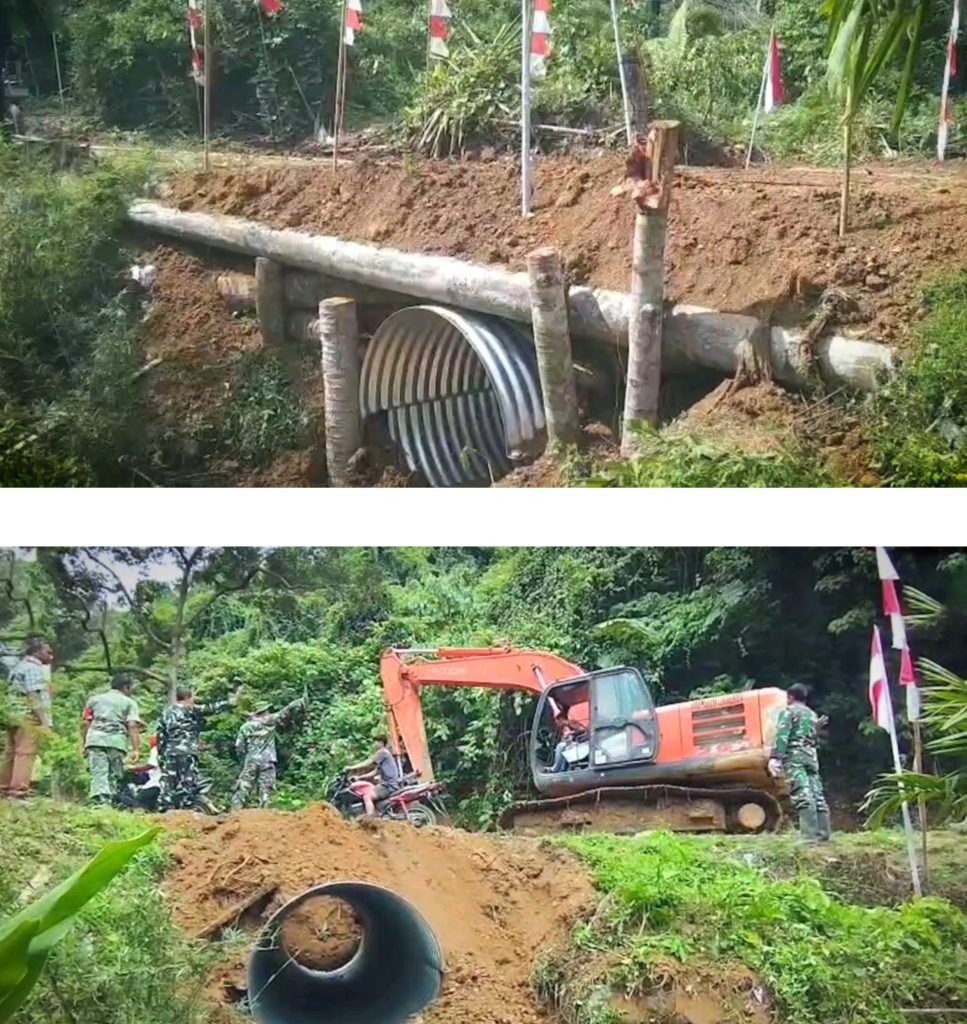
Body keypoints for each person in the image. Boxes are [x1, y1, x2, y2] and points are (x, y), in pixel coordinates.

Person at [768, 683, 830, 844]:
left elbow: (782, 735)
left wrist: (775, 757)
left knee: (802, 793)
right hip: (811, 757)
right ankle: (823, 834)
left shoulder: (789, 712)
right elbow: (814, 739)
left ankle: (808, 837)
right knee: (817, 793)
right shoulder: (811, 714)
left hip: (795, 758)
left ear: (790, 697)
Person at [156, 685, 233, 812]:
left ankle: (165, 809)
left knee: (169, 782)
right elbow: (211, 708)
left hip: (171, 752)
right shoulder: (190, 709)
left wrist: (161, 756)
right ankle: (188, 808)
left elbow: (160, 736)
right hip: (187, 751)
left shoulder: (166, 713)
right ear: (187, 697)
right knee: (188, 782)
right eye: (192, 697)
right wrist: (229, 702)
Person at [0, 636, 55, 799]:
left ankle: (4, 788)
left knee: (10, 753)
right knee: (25, 753)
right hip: (27, 717)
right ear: (36, 651)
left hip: (13, 715)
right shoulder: (32, 668)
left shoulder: (19, 666)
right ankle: (18, 791)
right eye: (48, 652)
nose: (51, 656)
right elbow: (33, 696)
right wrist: (44, 722)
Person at [230, 697, 306, 810]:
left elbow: (239, 747)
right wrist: (300, 701)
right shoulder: (270, 721)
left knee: (244, 786)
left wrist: (243, 760)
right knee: (266, 789)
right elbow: (286, 711)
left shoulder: (245, 727)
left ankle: (235, 811)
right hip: (268, 760)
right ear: (265, 711)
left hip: (251, 759)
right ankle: (265, 814)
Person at [81, 673, 143, 805]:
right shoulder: (129, 703)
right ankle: (110, 801)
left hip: (95, 739)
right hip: (116, 741)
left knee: (98, 771)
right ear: (126, 687)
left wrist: (84, 743)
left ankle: (101, 801)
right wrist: (136, 749)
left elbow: (86, 722)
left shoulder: (94, 700)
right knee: (114, 773)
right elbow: (132, 725)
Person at [345, 735, 404, 816]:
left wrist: (351, 767)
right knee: (370, 789)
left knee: (367, 796)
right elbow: (375, 772)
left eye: (376, 742)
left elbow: (369, 761)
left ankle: (370, 819)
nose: (375, 744)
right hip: (386, 784)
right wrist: (359, 777)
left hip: (388, 786)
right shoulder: (383, 756)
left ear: (381, 743)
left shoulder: (383, 752)